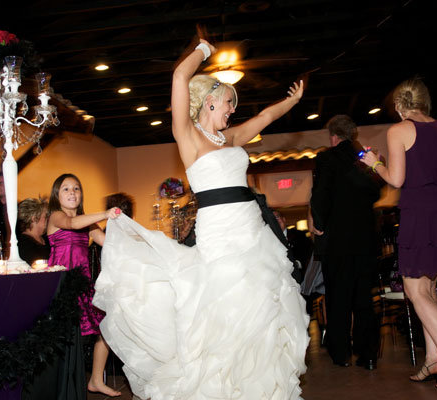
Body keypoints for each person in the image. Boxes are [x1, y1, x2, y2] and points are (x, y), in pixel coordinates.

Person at [94, 38, 309, 400]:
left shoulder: (231, 137)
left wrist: (290, 101)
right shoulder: (188, 136)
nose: (231, 111)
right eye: (228, 103)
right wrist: (204, 50)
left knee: (262, 311)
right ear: (210, 101)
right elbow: (180, 76)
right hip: (219, 233)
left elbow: (264, 118)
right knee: (228, 309)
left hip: (252, 230)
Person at [360, 79, 437, 388]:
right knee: (429, 290)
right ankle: (433, 360)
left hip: (419, 214)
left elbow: (395, 180)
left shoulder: (398, 130)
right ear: (424, 102)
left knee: (414, 291)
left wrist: (375, 164)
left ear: (399, 106)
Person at [309, 114, 382, 370]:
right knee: (364, 298)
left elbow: (320, 196)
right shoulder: (363, 159)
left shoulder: (326, 159)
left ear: (333, 136)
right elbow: (376, 190)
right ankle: (369, 354)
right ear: (353, 136)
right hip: (364, 240)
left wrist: (318, 224)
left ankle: (341, 354)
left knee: (338, 299)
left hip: (337, 241)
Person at [46, 174, 121, 397]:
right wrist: (106, 214)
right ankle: (64, 387)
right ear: (57, 196)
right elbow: (71, 223)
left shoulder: (88, 223)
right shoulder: (55, 216)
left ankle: (96, 379)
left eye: (76, 188)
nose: (72, 192)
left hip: (84, 284)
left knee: (105, 328)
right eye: (66, 189)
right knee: (67, 337)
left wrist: (138, 241)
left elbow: (108, 243)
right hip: (61, 285)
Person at [17, 198, 50, 264]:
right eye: (46, 216)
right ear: (34, 218)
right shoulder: (24, 244)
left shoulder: (47, 238)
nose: (49, 219)